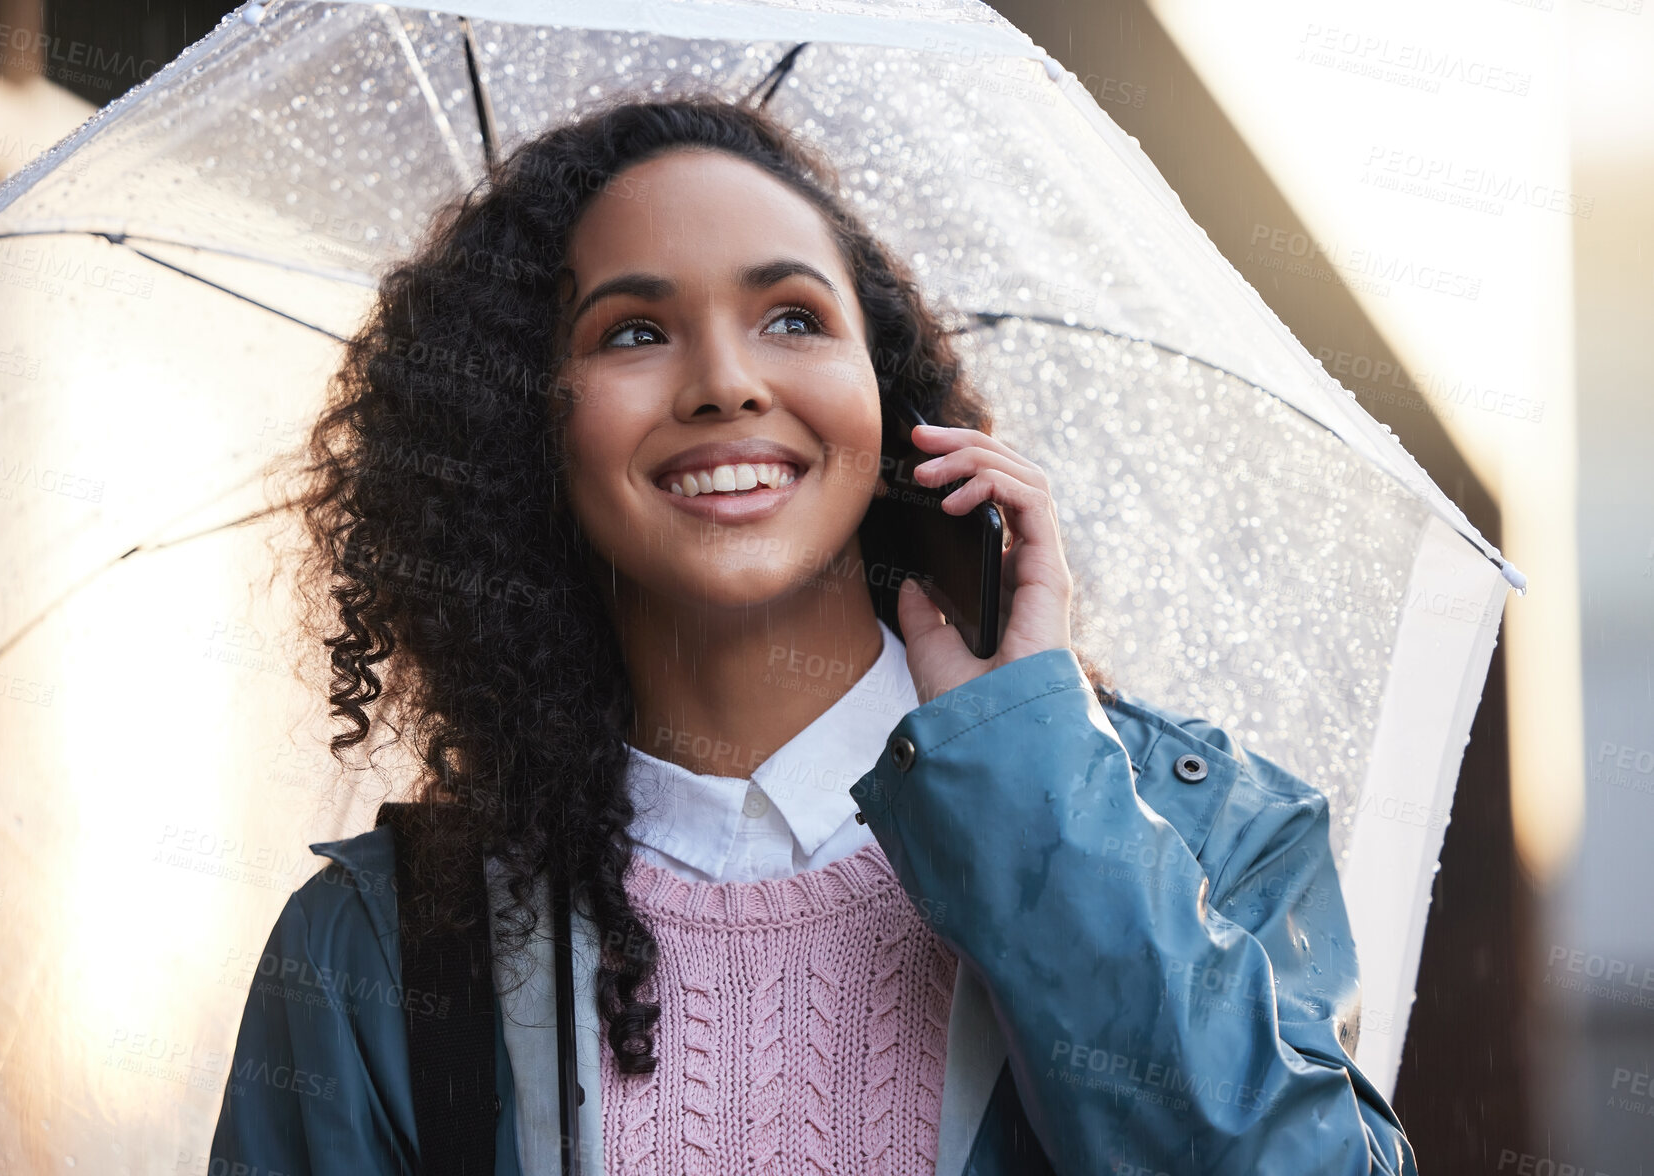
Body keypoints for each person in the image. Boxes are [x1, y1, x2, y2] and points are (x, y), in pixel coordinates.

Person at [209, 93, 1418, 1174]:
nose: (725, 382)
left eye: (792, 317)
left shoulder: (1208, 843)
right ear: (521, 432)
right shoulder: (382, 954)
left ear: (884, 396)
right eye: (632, 331)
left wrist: (1030, 772)